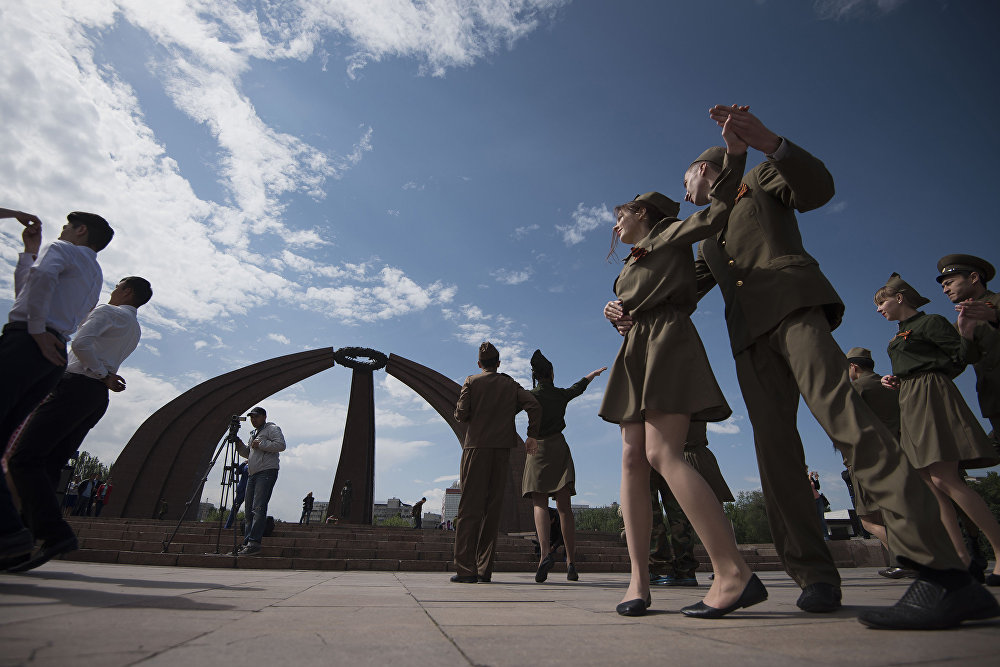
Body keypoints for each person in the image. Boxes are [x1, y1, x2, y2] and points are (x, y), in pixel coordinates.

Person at [614, 104, 992, 629]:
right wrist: (627, 309)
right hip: (748, 337)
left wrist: (771, 143)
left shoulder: (760, 177)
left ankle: (943, 572)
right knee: (774, 454)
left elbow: (817, 191)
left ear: (706, 170)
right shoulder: (707, 236)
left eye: (686, 180)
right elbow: (681, 288)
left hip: (793, 309)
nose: (683, 193)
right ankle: (814, 574)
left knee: (848, 423)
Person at [599, 113, 764, 619]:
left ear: (643, 213)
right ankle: (639, 580)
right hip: (637, 347)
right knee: (631, 461)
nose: (616, 225)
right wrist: (619, 316)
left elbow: (715, 216)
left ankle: (733, 570)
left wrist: (735, 157)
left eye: (622, 215)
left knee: (664, 454)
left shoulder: (671, 231)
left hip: (667, 339)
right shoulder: (634, 260)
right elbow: (642, 297)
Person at [5, 276, 150, 571]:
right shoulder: (133, 328)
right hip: (95, 396)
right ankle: (23, 544)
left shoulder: (108, 313)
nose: (112, 290)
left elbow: (82, 342)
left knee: (24, 458)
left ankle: (50, 533)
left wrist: (101, 373)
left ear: (127, 291)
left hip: (76, 385)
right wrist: (104, 375)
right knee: (47, 465)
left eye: (117, 286)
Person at [874, 273, 1000, 590]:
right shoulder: (898, 335)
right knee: (930, 484)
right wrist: (897, 380)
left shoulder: (930, 323)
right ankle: (958, 559)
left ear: (899, 297)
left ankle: (999, 550)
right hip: (911, 399)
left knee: (945, 477)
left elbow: (961, 358)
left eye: (882, 302)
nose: (879, 310)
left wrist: (967, 335)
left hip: (932, 395)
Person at [0, 210, 112, 563]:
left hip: (27, 343)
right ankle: (34, 534)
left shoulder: (63, 248)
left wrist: (34, 330)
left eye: (67, 227)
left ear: (80, 231)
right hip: (53, 352)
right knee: (12, 452)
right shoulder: (95, 273)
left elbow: (40, 285)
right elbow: (30, 292)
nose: (62, 231)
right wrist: (29, 254)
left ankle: (12, 534)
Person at [451, 341, 541, 584]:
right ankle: (484, 569)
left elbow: (461, 414)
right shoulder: (509, 384)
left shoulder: (471, 381)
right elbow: (533, 404)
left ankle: (464, 570)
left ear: (479, 364)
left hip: (476, 448)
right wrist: (531, 433)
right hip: (503, 450)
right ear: (499, 363)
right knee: (493, 510)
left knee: (469, 508)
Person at [522, 349, 605, 583]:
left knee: (539, 503)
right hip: (559, 447)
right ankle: (571, 562)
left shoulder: (530, 396)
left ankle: (544, 555)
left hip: (537, 449)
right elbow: (577, 389)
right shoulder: (559, 394)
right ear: (551, 373)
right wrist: (592, 375)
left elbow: (508, 408)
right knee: (564, 507)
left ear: (535, 376)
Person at [843, 347, 912, 579]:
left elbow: (849, 425)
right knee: (891, 512)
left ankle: (907, 557)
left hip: (866, 457)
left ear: (853, 367)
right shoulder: (890, 386)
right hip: (897, 453)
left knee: (867, 519)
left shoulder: (858, 388)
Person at [649, 421, 734, 588]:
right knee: (678, 514)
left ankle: (660, 568)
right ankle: (683, 569)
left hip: (653, 445)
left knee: (652, 511)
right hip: (675, 451)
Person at [937, 255, 1000, 455]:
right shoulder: (959, 324)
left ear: (973, 278)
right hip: (994, 398)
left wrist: (994, 316)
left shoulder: (997, 302)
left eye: (949, 282)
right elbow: (956, 362)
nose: (945, 289)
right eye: (943, 286)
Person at [233, 406, 285, 555]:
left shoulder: (272, 429)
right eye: (251, 418)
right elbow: (249, 453)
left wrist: (261, 444)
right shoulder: (253, 434)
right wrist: (239, 444)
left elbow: (281, 445)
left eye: (256, 417)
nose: (253, 420)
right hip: (252, 473)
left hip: (266, 472)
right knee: (249, 510)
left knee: (259, 508)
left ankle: (254, 543)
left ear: (264, 417)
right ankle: (247, 543)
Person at [807, 469, 830, 540]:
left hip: (818, 499)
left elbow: (817, 487)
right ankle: (815, 537)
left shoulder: (810, 478)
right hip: (810, 501)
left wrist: (816, 479)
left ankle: (825, 536)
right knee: (813, 518)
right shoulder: (802, 478)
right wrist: (809, 477)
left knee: (821, 518)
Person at [224, 462, 248, 530]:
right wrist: (243, 463)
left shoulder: (257, 464)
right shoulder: (245, 466)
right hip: (241, 490)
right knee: (234, 508)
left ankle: (248, 527)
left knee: (250, 509)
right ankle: (227, 526)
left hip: (251, 491)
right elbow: (237, 472)